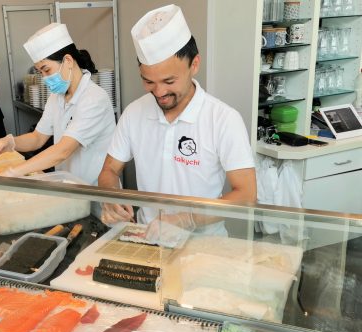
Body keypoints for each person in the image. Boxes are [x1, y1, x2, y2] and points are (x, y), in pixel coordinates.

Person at [98, 4, 256, 237]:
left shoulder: (222, 118)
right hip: (147, 237)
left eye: (169, 81)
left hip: (203, 247)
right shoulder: (134, 113)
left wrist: (186, 219)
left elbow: (246, 195)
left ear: (194, 65)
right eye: (149, 82)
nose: (159, 92)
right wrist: (111, 196)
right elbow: (110, 169)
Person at [0, 23, 115, 187]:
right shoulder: (57, 95)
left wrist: (14, 172)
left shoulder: (94, 99)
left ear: (68, 60)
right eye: (40, 72)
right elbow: (38, 138)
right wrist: (10, 142)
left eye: (46, 70)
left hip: (94, 191)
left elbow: (63, 151)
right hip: (69, 187)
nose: (45, 78)